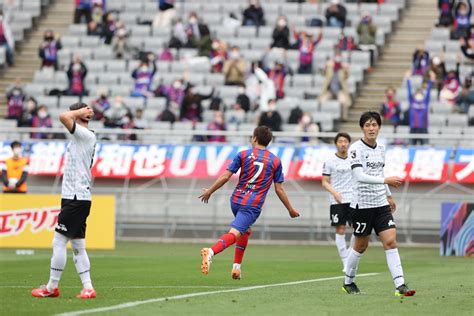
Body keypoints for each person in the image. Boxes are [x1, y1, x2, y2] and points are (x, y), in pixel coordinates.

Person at [198, 126, 300, 279]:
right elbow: (279, 189)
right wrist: (290, 209)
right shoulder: (275, 161)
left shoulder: (243, 154)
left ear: (254, 138)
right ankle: (211, 252)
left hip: (236, 200)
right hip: (252, 205)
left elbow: (226, 177)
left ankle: (236, 268)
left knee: (246, 230)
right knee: (235, 233)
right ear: (269, 141)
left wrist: (210, 191)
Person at [343, 111, 416, 297]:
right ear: (362, 128)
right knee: (360, 246)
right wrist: (386, 181)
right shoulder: (355, 149)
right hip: (361, 205)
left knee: (390, 241)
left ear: (379, 127)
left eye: (374, 125)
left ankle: (400, 285)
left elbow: (379, 173)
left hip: (381, 203)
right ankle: (348, 281)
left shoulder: (381, 148)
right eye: (367, 125)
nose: (371, 128)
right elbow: (359, 176)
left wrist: (388, 195)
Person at [32, 103, 97, 299]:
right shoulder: (82, 137)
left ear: (77, 116)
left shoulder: (84, 135)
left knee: (58, 241)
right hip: (77, 197)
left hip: (76, 198)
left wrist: (79, 112)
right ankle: (88, 288)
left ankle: (51, 287)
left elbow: (62, 116)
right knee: (78, 245)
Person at [321, 133, 354, 272]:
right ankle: (345, 262)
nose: (343, 144)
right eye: (340, 141)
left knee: (357, 229)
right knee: (340, 229)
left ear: (349, 143)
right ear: (336, 144)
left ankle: (350, 258)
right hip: (337, 200)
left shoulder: (354, 159)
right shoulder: (329, 161)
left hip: (353, 198)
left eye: (345, 141)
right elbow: (324, 182)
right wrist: (334, 193)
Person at [319, 52, 352, 120]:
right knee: (321, 100)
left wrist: (346, 70)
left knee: (343, 101)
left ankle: (344, 118)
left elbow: (347, 76)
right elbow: (323, 74)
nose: (337, 58)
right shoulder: (330, 66)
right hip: (329, 90)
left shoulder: (343, 67)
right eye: (336, 56)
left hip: (340, 90)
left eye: (339, 56)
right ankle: (322, 117)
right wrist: (325, 67)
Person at [406, 71, 434, 145]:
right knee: (411, 146)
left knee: (424, 147)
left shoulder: (425, 101)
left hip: (423, 128)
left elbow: (428, 91)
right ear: (414, 95)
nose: (419, 94)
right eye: (417, 93)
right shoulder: (412, 101)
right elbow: (409, 90)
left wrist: (431, 79)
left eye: (420, 93)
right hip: (413, 128)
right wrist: (408, 78)